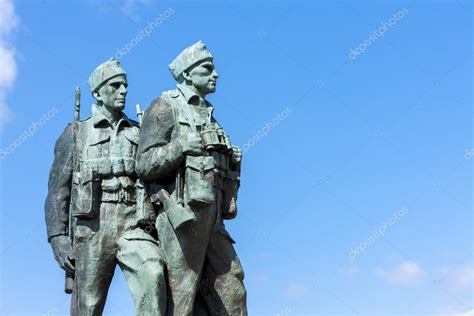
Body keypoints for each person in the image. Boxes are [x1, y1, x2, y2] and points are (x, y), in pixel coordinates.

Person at [44, 58, 166, 316]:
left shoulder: (138, 131)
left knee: (153, 272)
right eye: (115, 85)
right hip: (93, 226)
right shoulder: (77, 133)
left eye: (125, 85)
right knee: (88, 305)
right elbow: (58, 191)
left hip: (133, 222)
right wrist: (57, 237)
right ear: (98, 92)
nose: (123, 91)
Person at [136, 41, 247, 315]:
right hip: (183, 218)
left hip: (214, 218)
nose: (216, 74)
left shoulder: (211, 116)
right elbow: (144, 164)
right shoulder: (166, 105)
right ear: (187, 73)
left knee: (233, 289)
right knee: (181, 297)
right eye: (207, 68)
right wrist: (180, 146)